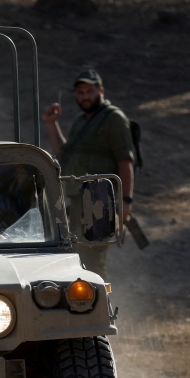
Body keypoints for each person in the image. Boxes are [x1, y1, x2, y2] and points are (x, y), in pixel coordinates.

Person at [41, 69, 134, 281]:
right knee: (76, 258)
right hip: (77, 202)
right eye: (80, 92)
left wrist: (126, 201)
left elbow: (125, 161)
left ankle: (103, 308)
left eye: (89, 91)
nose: (84, 97)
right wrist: (51, 123)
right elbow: (65, 155)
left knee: (92, 260)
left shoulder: (114, 119)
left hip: (101, 201)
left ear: (100, 91)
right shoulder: (81, 122)